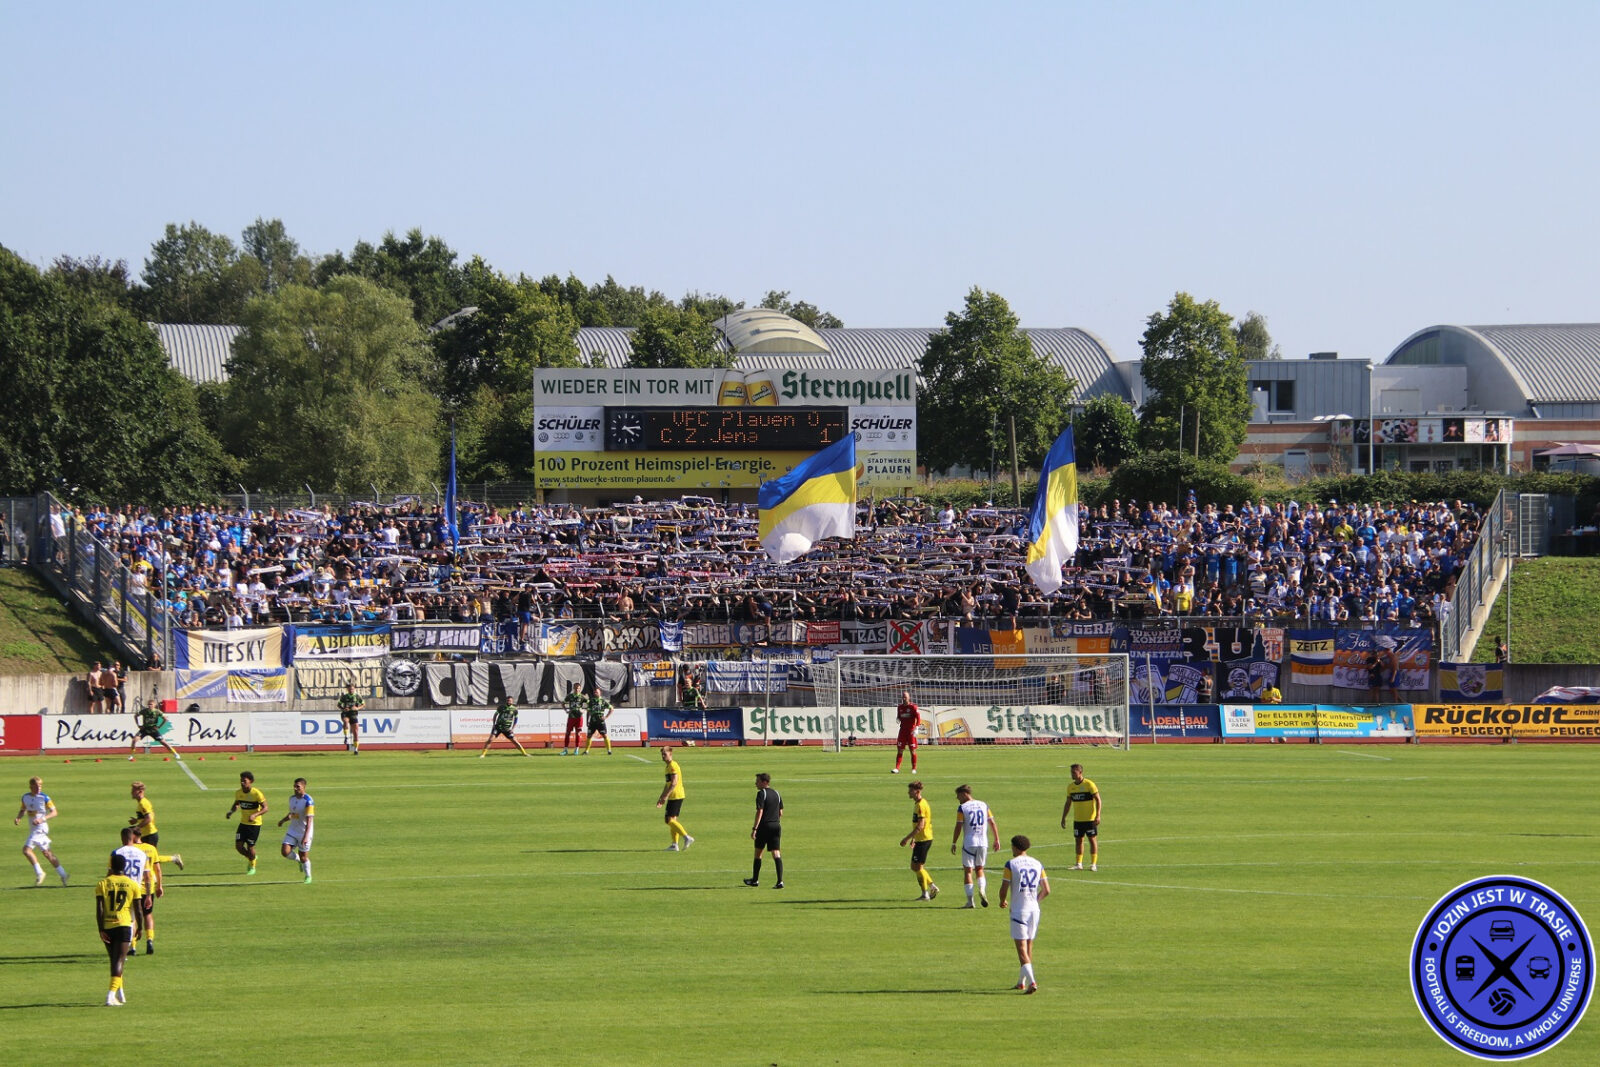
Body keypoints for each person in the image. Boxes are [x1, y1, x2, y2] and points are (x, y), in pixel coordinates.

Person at [998, 834, 1050, 994]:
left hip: (1019, 910)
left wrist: (1002, 901)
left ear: (1015, 847)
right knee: (1028, 946)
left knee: (1021, 949)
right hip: (1034, 910)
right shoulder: (1037, 863)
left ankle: (1032, 982)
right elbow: (1046, 890)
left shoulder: (1011, 864)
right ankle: (1022, 981)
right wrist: (1035, 901)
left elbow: (1004, 888)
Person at [96, 852, 144, 1006]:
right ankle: (110, 995)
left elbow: (99, 909)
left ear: (111, 866)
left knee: (114, 960)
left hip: (108, 925)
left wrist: (101, 929)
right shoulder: (133, 884)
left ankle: (120, 993)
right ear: (125, 867)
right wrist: (140, 928)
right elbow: (138, 909)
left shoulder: (102, 883)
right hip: (124, 925)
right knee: (120, 960)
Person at [111, 827, 161, 954]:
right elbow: (150, 875)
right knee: (147, 915)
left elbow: (111, 874)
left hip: (124, 890)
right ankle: (149, 940)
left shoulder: (119, 852)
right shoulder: (145, 852)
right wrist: (150, 894)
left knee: (130, 919)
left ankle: (131, 946)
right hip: (140, 889)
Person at [950, 784, 1000, 908]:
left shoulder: (962, 808)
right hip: (983, 842)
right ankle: (982, 889)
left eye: (958, 795)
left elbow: (958, 826)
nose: (957, 798)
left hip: (969, 842)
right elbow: (992, 822)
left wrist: (954, 842)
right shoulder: (984, 805)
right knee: (979, 869)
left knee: (968, 871)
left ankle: (970, 901)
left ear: (964, 794)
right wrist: (997, 839)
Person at [15, 776, 68, 886]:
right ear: (31, 787)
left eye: (40, 785)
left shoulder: (45, 798)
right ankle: (63, 874)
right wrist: (18, 817)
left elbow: (54, 812)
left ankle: (40, 873)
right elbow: (23, 809)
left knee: (26, 850)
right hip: (33, 829)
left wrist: (42, 819)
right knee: (47, 853)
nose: (39, 788)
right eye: (36, 786)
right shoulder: (25, 797)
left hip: (41, 828)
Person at [898, 780, 938, 901]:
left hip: (924, 839)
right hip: (922, 839)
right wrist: (914, 839)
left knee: (917, 867)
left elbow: (920, 825)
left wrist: (906, 838)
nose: (908, 793)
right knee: (915, 866)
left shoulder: (921, 805)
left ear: (917, 791)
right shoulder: (919, 803)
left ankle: (926, 893)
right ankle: (931, 887)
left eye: (910, 790)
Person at [128, 781, 182, 871]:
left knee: (152, 857)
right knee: (149, 857)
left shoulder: (143, 803)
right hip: (146, 834)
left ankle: (173, 859)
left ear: (140, 791)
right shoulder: (142, 803)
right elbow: (148, 816)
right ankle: (173, 859)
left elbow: (149, 818)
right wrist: (136, 820)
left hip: (149, 834)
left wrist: (137, 827)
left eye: (133, 790)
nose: (131, 792)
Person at [743, 772, 783, 888]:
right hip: (776, 825)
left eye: (758, 781)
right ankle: (780, 881)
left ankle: (755, 880)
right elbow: (781, 812)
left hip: (764, 826)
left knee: (758, 853)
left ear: (765, 782)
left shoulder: (761, 794)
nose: (756, 783)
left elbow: (760, 811)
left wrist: (755, 828)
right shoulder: (777, 793)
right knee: (776, 853)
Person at [1059, 763, 1101, 871]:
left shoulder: (1089, 784)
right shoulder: (1071, 787)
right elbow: (1068, 803)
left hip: (1090, 819)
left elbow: (1098, 800)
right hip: (1078, 819)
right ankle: (1079, 864)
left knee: (1092, 839)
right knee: (1078, 840)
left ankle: (1093, 864)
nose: (1072, 775)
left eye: (1074, 772)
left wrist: (1098, 815)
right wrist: (1063, 817)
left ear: (1080, 772)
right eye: (1071, 772)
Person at [225, 770, 268, 875]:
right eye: (241, 780)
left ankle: (252, 865)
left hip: (254, 825)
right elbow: (236, 804)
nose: (242, 783)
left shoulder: (256, 793)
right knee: (238, 847)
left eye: (244, 781)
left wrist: (255, 815)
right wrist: (231, 812)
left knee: (250, 847)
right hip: (243, 823)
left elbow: (265, 808)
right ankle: (252, 857)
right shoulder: (238, 793)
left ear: (251, 781)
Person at [275, 777, 314, 883]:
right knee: (285, 851)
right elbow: (292, 814)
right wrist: (283, 821)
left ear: (304, 787)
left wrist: (306, 836)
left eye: (298, 786)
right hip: (293, 830)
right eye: (294, 786)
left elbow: (309, 820)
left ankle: (308, 876)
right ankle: (298, 860)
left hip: (304, 832)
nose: (295, 788)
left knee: (304, 857)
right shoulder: (292, 798)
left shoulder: (308, 801)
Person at [655, 745, 694, 851]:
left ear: (670, 754)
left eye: (665, 754)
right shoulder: (668, 766)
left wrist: (666, 796)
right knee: (673, 820)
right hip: (674, 795)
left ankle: (686, 837)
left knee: (668, 820)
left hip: (676, 795)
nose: (663, 756)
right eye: (662, 754)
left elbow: (674, 783)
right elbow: (667, 784)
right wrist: (662, 797)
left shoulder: (673, 765)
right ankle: (674, 844)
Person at [126, 696, 182, 762]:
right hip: (145, 729)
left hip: (153, 730)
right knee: (134, 740)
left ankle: (175, 753)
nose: (149, 706)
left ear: (154, 705)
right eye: (148, 704)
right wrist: (138, 725)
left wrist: (159, 727)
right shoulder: (144, 711)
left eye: (151, 704)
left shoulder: (157, 712)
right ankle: (131, 755)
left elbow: (165, 719)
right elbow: (135, 716)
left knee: (163, 742)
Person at [892, 690, 920, 774]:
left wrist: (916, 728)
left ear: (909, 698)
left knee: (912, 750)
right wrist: (898, 719)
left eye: (906, 697)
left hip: (911, 732)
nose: (904, 699)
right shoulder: (900, 707)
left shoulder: (913, 707)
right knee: (900, 750)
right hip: (902, 731)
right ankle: (897, 768)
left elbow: (918, 718)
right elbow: (899, 716)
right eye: (903, 697)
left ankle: (914, 769)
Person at [583, 684, 613, 755]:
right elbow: (588, 711)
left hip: (600, 721)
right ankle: (586, 751)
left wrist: (606, 717)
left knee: (604, 735)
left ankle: (609, 750)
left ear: (600, 693)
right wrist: (587, 721)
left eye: (597, 692)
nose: (595, 693)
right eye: (594, 692)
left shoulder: (603, 701)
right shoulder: (591, 701)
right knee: (589, 736)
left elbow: (611, 709)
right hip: (592, 721)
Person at [337, 683, 365, 754]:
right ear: (347, 689)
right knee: (346, 721)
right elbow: (339, 704)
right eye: (349, 689)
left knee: (355, 731)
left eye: (352, 689)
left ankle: (356, 749)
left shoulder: (357, 696)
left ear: (354, 689)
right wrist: (343, 708)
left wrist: (357, 708)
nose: (351, 690)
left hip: (353, 714)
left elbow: (363, 704)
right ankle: (346, 737)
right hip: (346, 713)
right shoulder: (344, 696)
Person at [561, 685, 586, 755]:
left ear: (580, 689)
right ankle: (565, 750)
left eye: (578, 688)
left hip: (579, 717)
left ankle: (576, 749)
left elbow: (590, 703)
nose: (577, 690)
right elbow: (563, 703)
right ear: (573, 688)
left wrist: (584, 710)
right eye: (576, 688)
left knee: (578, 733)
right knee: (567, 733)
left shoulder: (582, 696)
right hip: (571, 717)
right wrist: (566, 710)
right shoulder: (570, 696)